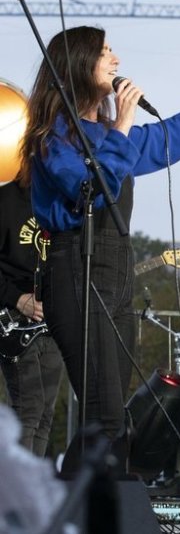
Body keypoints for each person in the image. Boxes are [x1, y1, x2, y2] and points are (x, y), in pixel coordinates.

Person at [18, 25, 180, 474]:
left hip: (116, 275)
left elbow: (172, 137)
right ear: (78, 64)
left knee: (113, 422)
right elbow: (87, 188)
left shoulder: (114, 136)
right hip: (74, 269)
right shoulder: (53, 139)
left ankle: (73, 506)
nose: (116, 59)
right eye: (105, 52)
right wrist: (123, 128)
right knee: (106, 416)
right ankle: (82, 511)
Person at [0, 179, 63, 457]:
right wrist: (17, 299)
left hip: (53, 322)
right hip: (12, 318)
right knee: (29, 408)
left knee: (46, 414)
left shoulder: (64, 202)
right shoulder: (6, 200)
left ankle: (31, 492)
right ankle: (16, 493)